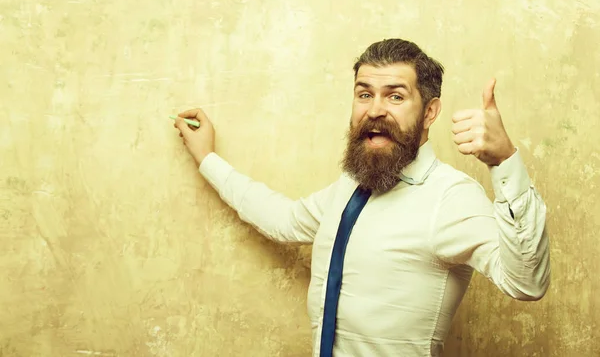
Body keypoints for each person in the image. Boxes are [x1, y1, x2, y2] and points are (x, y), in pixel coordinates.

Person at [173, 38, 550, 357]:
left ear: (430, 111)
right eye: (364, 94)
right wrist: (207, 158)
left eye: (395, 96)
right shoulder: (350, 188)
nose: (375, 110)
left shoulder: (449, 198)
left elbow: (527, 283)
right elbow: (282, 219)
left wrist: (504, 161)